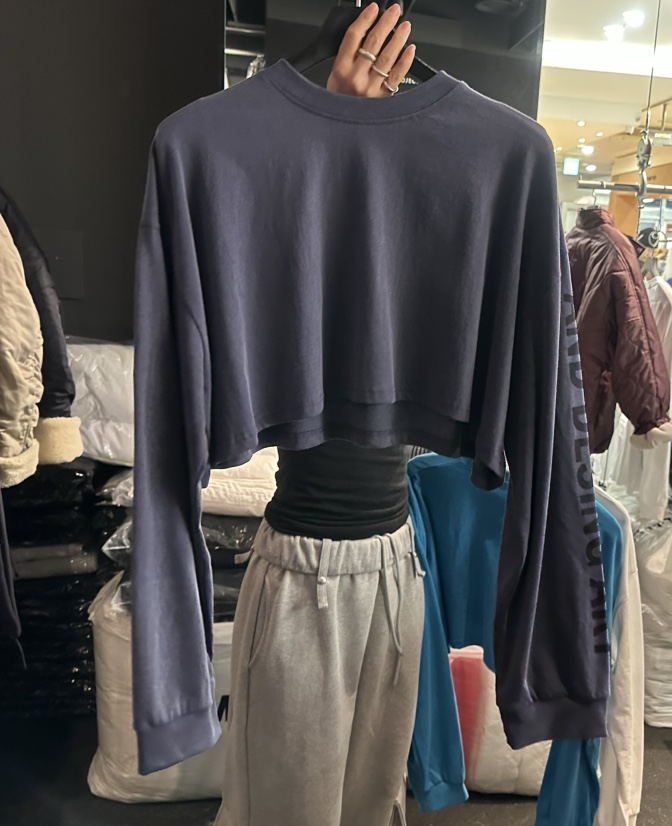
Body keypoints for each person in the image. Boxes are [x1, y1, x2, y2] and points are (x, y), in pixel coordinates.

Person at [215, 7, 426, 826]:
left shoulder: (423, 199)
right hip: (306, 567)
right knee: (289, 808)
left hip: (395, 559)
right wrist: (331, 132)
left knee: (373, 798)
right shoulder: (278, 187)